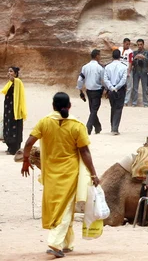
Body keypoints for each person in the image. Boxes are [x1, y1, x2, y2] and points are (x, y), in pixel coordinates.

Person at [20, 92, 99, 258]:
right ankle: (56, 243)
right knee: (64, 208)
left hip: (50, 173)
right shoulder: (77, 125)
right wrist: (93, 174)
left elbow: (28, 143)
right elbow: (84, 151)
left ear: (53, 106)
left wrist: (26, 160)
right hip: (70, 173)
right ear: (69, 106)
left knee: (60, 207)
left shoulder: (44, 122)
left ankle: (67, 243)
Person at [76, 49, 105, 135]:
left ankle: (98, 127)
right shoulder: (100, 68)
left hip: (89, 91)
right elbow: (103, 80)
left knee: (92, 109)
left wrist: (81, 91)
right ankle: (88, 127)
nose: (100, 57)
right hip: (97, 91)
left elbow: (80, 79)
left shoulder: (85, 67)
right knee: (94, 110)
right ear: (97, 56)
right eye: (99, 55)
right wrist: (106, 89)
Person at [2, 66, 27, 155]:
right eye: (8, 71)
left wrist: (14, 80)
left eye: (11, 71)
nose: (9, 73)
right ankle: (9, 147)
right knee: (8, 126)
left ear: (16, 74)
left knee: (14, 127)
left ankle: (14, 149)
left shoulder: (18, 82)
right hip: (8, 108)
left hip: (15, 109)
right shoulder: (9, 83)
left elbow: (18, 90)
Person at [104, 49, 128, 135]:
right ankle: (115, 128)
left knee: (113, 107)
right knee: (118, 108)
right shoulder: (124, 66)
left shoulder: (107, 67)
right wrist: (117, 87)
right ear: (120, 56)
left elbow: (106, 79)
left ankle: (112, 126)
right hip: (120, 89)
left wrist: (111, 87)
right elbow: (123, 79)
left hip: (111, 89)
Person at [131, 38, 148, 107]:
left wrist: (144, 58)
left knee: (145, 88)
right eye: (138, 45)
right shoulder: (134, 53)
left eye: (141, 44)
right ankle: (134, 103)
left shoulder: (147, 52)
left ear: (143, 45)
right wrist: (135, 58)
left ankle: (145, 103)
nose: (140, 46)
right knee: (135, 87)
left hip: (144, 71)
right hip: (136, 71)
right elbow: (131, 62)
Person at [118, 38, 134, 106]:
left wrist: (129, 72)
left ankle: (126, 101)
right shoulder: (120, 49)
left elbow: (130, 62)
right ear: (123, 43)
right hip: (120, 69)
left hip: (127, 69)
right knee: (119, 84)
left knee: (129, 86)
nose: (128, 45)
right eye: (126, 44)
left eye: (129, 44)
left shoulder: (130, 51)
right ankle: (119, 99)